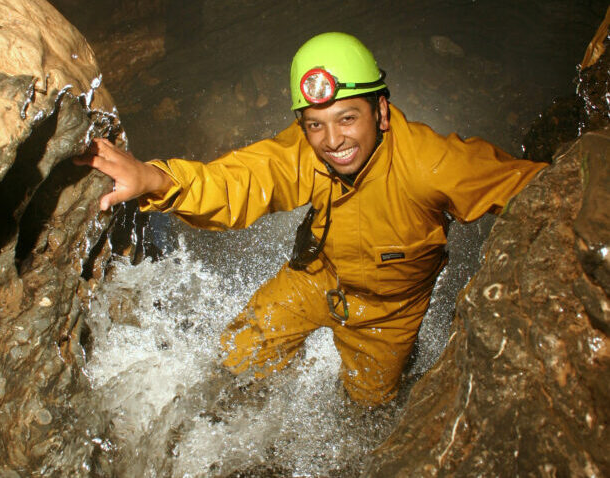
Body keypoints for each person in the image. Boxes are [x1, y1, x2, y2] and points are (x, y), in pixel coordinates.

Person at [75, 32, 546, 407]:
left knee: (367, 409)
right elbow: (240, 180)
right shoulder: (307, 154)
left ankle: (397, 376)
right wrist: (155, 179)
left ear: (380, 111)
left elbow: (537, 187)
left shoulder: (433, 164)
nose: (332, 140)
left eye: (347, 118)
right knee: (239, 353)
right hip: (317, 277)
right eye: (315, 124)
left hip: (388, 312)